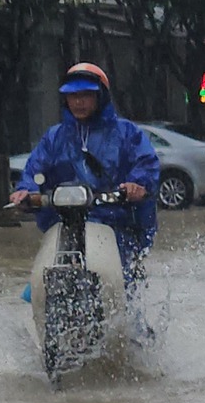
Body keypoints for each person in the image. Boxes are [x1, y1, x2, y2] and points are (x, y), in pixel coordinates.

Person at [10, 62, 161, 284]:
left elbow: (146, 163)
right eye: (73, 96)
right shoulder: (55, 137)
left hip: (116, 224)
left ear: (100, 96)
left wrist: (136, 185)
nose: (78, 102)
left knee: (122, 281)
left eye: (85, 95)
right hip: (66, 223)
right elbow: (35, 168)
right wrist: (25, 190)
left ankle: (128, 314)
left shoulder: (126, 132)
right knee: (39, 283)